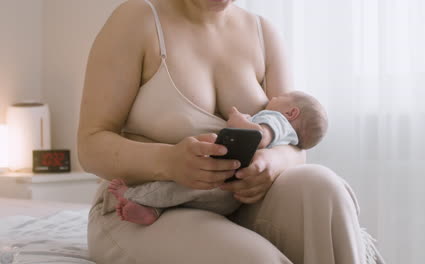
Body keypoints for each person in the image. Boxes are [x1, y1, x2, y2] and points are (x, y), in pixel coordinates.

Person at [77, 0, 385, 263]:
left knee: (324, 186)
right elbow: (90, 146)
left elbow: (294, 144)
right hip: (142, 207)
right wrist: (169, 160)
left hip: (237, 203)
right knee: (256, 260)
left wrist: (272, 164)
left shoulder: (263, 33)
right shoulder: (137, 19)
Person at [106, 90, 329, 225]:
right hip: (229, 201)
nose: (273, 97)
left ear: (291, 113)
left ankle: (134, 195)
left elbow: (259, 136)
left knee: (175, 188)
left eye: (281, 97)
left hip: (221, 178)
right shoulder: (290, 140)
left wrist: (237, 119)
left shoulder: (277, 120)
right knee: (182, 198)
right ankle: (153, 211)